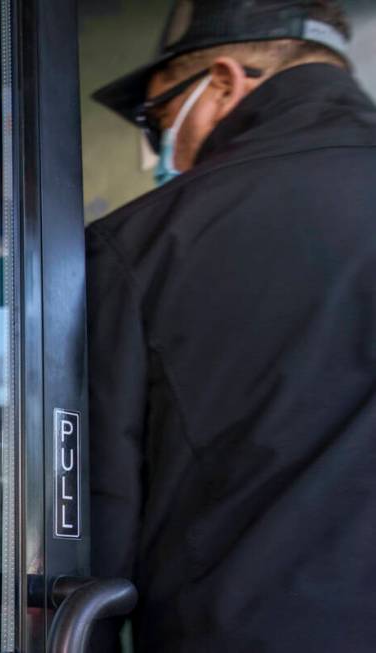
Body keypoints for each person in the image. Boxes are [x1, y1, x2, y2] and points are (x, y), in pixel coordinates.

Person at [86, 1, 376, 651]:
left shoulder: (143, 244)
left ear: (222, 81)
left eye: (157, 118)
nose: (161, 147)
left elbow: (98, 513)